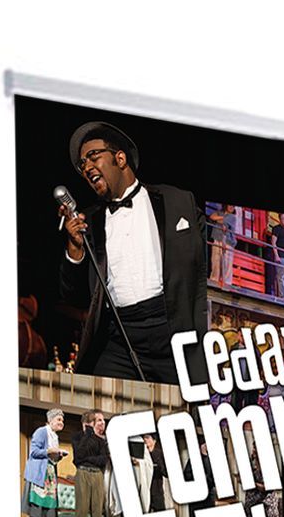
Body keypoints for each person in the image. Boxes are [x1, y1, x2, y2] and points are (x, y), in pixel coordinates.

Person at [57, 119, 206, 383]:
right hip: (119, 337)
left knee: (175, 415)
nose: (87, 167)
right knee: (100, 412)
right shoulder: (88, 222)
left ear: (121, 158)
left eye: (93, 156)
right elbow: (73, 295)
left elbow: (200, 266)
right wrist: (75, 248)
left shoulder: (177, 202)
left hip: (169, 329)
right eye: (82, 165)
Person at [70, 411, 112, 517]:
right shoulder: (77, 437)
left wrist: (89, 459)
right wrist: (87, 434)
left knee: (97, 511)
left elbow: (103, 460)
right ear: (86, 423)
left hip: (97, 475)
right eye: (95, 421)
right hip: (82, 473)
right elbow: (78, 457)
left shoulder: (100, 440)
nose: (98, 424)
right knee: (81, 511)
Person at [23, 409, 63, 517]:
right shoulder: (41, 432)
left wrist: (58, 456)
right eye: (58, 420)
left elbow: (52, 457)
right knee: (34, 509)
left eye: (62, 420)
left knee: (48, 510)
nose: (61, 423)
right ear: (51, 420)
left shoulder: (55, 437)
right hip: (39, 475)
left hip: (50, 476)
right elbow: (33, 452)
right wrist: (49, 451)